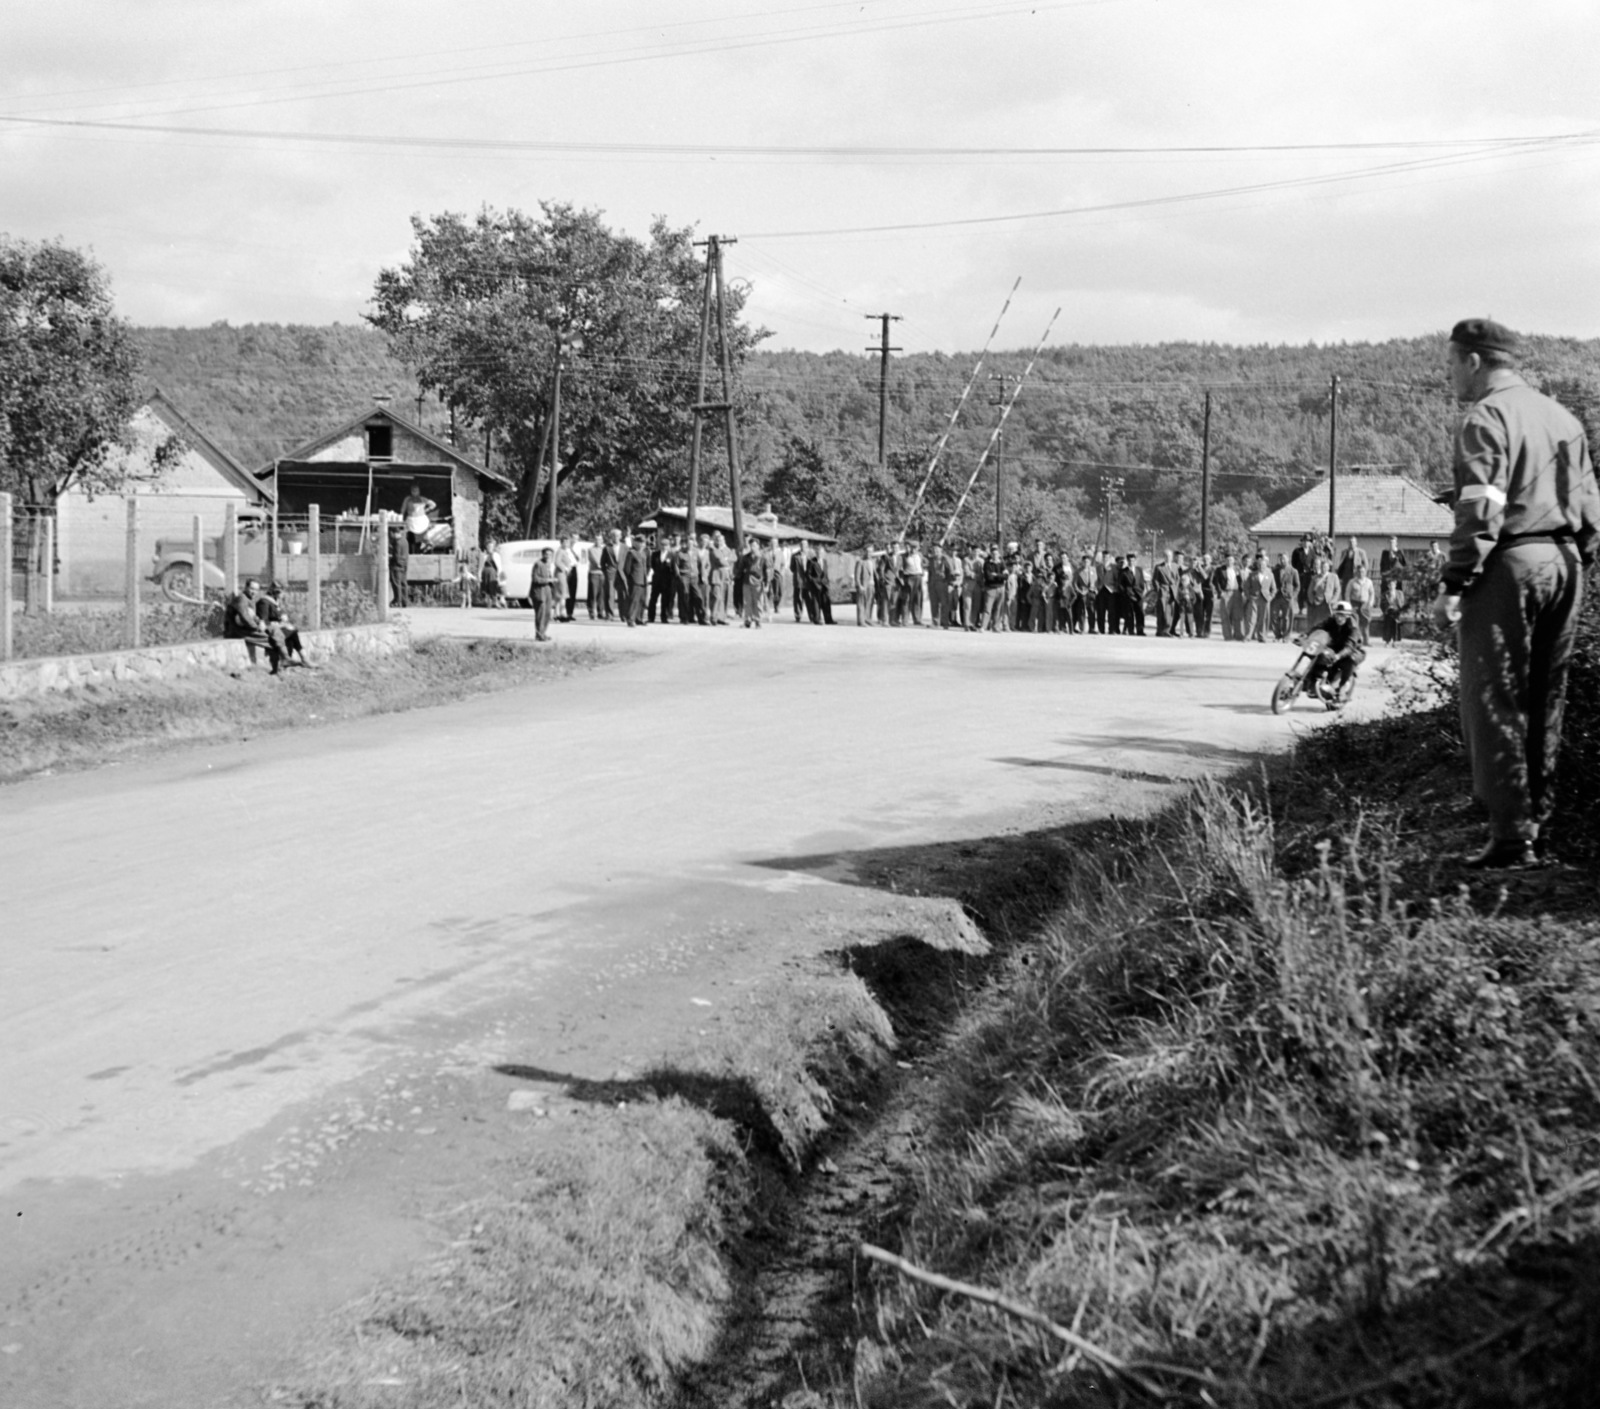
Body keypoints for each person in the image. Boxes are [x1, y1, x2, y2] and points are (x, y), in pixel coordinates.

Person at [1432, 317, 1600, 868]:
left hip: (1510, 564)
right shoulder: (1561, 416)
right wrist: (1580, 563)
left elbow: (1481, 507)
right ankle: (1538, 824)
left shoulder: (1487, 416)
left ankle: (1510, 838)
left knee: (1495, 697)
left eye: (1453, 361)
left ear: (1474, 360)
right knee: (1545, 698)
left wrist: (1455, 583)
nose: (1451, 373)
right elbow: (1591, 509)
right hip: (1566, 563)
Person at [1303, 599, 1364, 705]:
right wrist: (1306, 635)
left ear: (1348, 616)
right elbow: (1318, 628)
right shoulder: (1331, 621)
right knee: (1320, 654)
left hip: (1352, 651)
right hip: (1336, 647)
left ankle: (1342, 688)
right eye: (1337, 615)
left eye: (1342, 615)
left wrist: (1338, 655)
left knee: (1350, 660)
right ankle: (1311, 680)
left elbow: (1349, 647)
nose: (1339, 618)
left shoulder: (1353, 628)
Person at [223, 577, 280, 674]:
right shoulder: (242, 598)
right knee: (273, 640)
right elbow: (245, 616)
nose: (254, 592)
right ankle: (276, 669)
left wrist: (259, 621)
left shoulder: (250, 599)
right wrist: (257, 627)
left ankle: (276, 667)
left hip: (245, 630)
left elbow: (253, 615)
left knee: (276, 637)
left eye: (256, 590)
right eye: (252, 589)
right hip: (236, 632)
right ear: (245, 587)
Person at [255, 582, 311, 667]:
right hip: (269, 630)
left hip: (277, 629)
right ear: (275, 591)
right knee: (292, 632)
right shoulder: (264, 602)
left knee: (291, 633)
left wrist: (282, 617)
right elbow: (264, 620)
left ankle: (289, 660)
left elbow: (279, 615)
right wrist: (278, 623)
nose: (283, 594)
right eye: (282, 592)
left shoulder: (275, 602)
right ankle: (303, 659)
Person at [530, 547, 558, 641]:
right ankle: (539, 634)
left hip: (548, 590)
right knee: (540, 614)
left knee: (547, 613)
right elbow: (535, 579)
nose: (548, 556)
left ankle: (543, 633)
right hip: (539, 590)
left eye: (550, 555)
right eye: (546, 554)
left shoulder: (549, 564)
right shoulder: (538, 564)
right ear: (542, 554)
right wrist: (548, 580)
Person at [400, 484, 436, 553]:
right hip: (411, 521)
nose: (415, 492)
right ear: (411, 491)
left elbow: (433, 504)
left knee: (424, 536)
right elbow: (403, 509)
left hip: (421, 521)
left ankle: (427, 546)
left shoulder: (423, 499)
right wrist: (401, 518)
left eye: (416, 490)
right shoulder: (407, 499)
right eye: (413, 491)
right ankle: (410, 551)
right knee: (411, 538)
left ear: (419, 491)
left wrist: (426, 510)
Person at [386, 516, 408, 610]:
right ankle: (404, 601)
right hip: (404, 564)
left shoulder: (398, 543)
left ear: (394, 533)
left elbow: (397, 556)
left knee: (396, 583)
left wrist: (390, 557)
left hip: (397, 565)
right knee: (403, 583)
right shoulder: (404, 541)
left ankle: (397, 600)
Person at [853, 547, 876, 626]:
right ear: (864, 552)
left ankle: (867, 619)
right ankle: (861, 621)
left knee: (870, 603)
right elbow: (857, 576)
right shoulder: (860, 562)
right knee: (861, 603)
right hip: (863, 585)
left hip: (872, 585)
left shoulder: (873, 562)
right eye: (867, 552)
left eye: (871, 552)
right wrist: (859, 586)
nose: (869, 554)